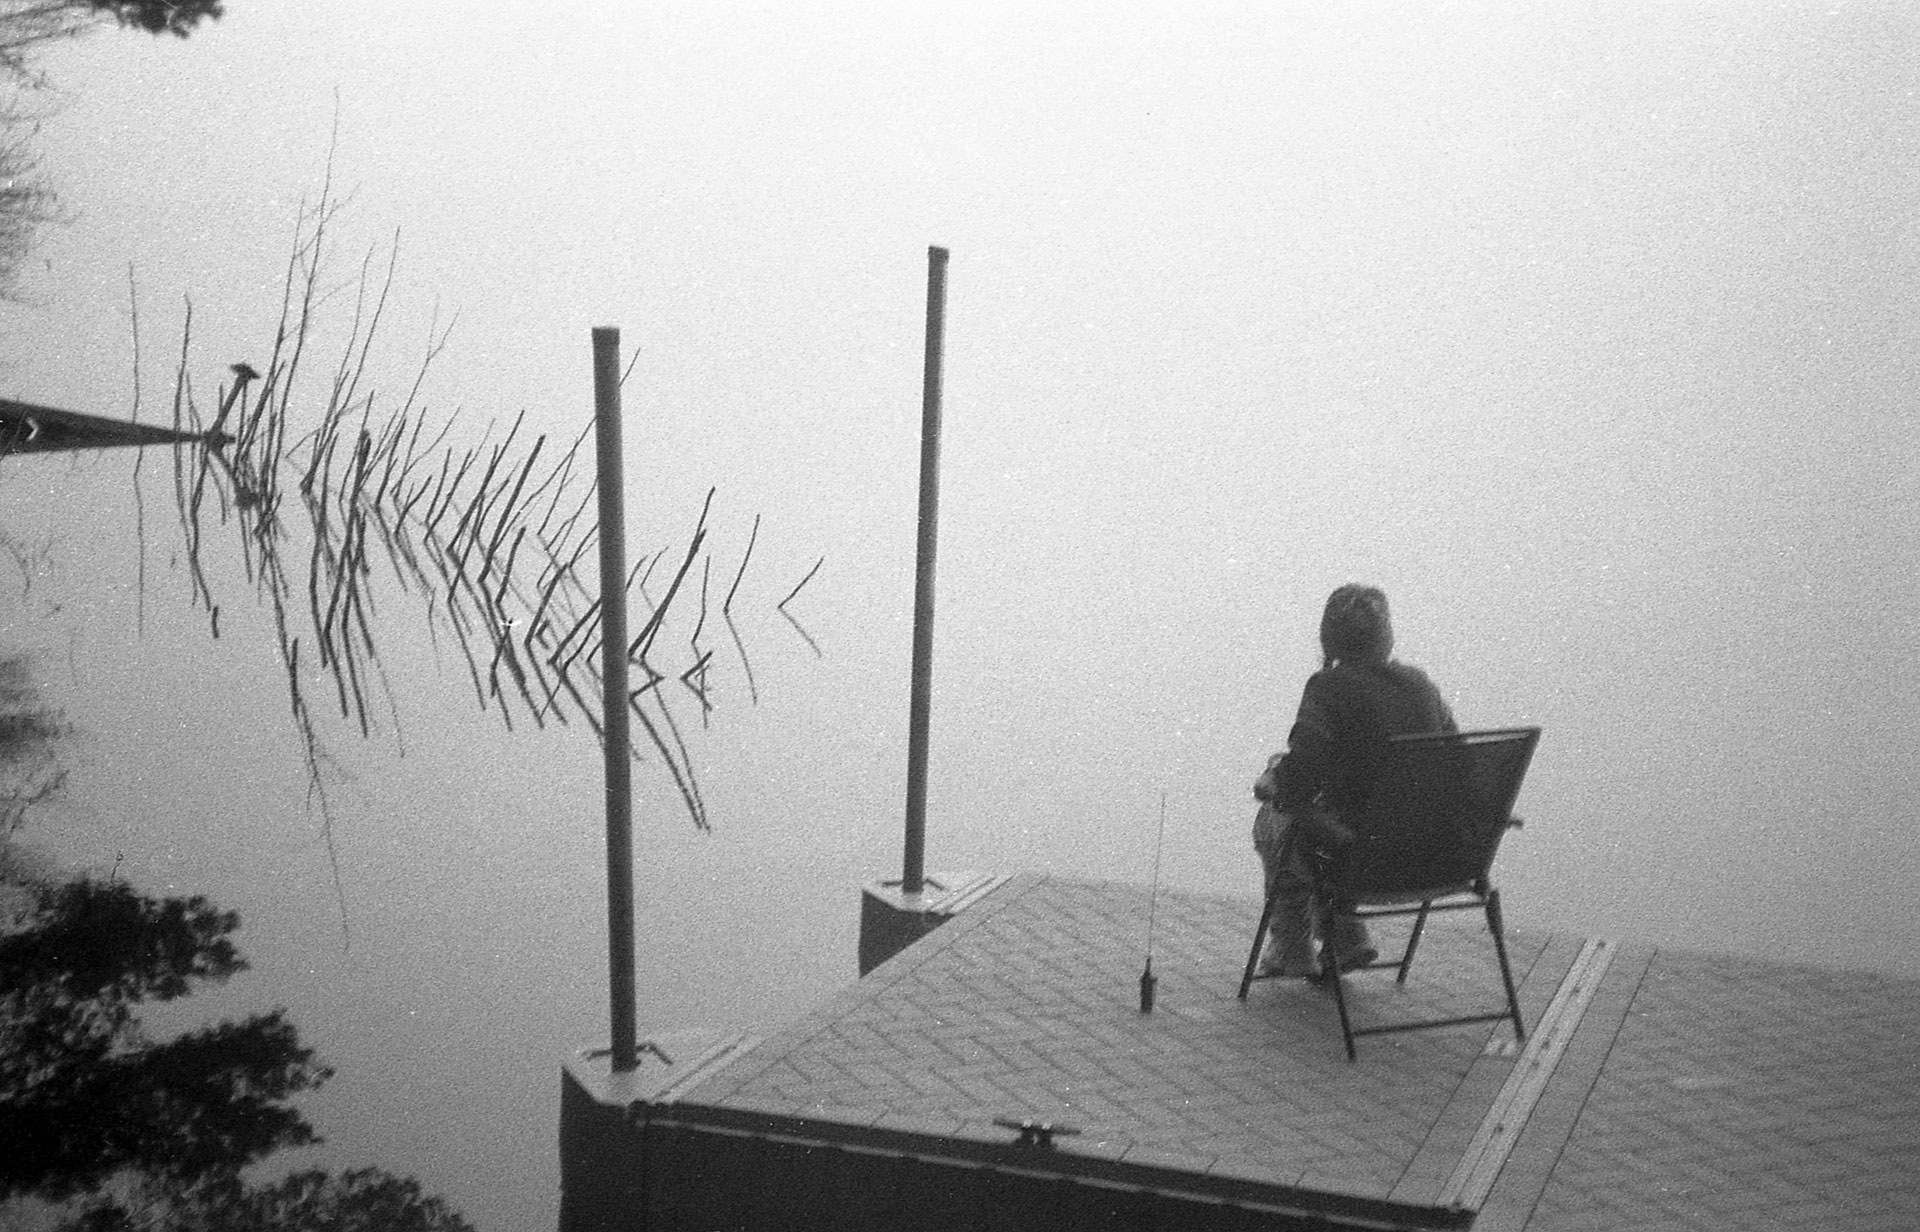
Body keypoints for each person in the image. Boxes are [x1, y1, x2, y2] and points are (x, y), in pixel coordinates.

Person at [1251, 584, 1456, 978]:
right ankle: (1344, 937)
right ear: (1387, 636)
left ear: (1329, 639)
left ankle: (1295, 946)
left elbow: (1300, 780)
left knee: (1277, 820)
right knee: (1326, 821)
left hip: (1362, 862)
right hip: (1438, 857)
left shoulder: (1328, 688)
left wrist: (1273, 779)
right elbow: (1453, 759)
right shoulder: (1420, 686)